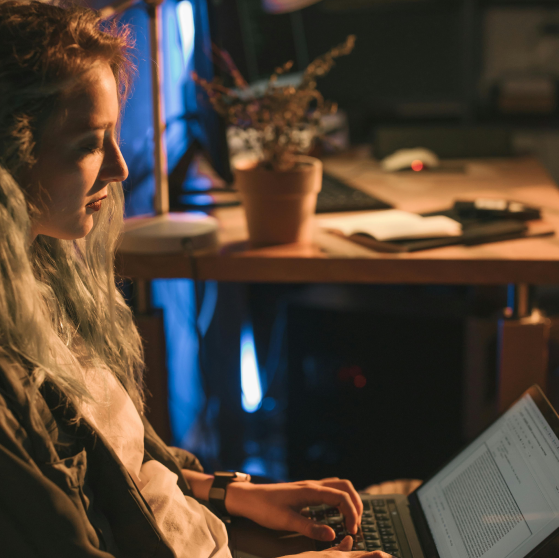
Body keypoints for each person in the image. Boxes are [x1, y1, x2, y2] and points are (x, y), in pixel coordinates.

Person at [0, 2, 398, 557]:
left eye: (114, 135)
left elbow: (126, 474)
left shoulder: (46, 276)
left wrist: (232, 492)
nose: (120, 168)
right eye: (89, 144)